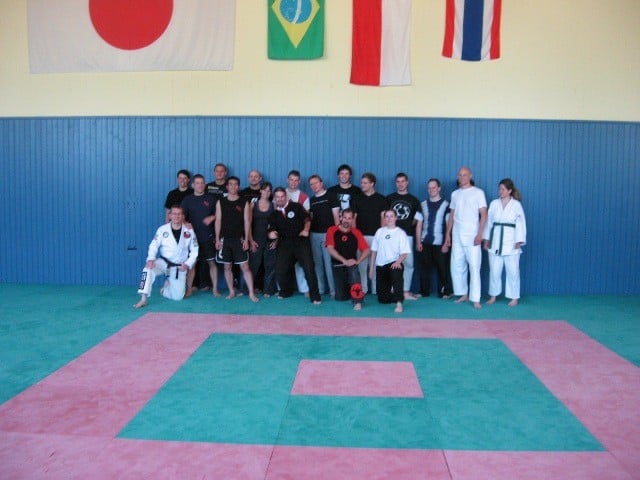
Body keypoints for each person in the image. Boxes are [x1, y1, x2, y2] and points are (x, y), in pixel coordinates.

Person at [134, 206, 199, 308]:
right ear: (170, 216)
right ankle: (143, 299)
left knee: (178, 297)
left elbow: (195, 250)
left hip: (179, 266)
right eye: (174, 214)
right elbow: (154, 245)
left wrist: (187, 264)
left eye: (179, 214)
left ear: (183, 216)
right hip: (163, 262)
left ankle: (164, 290)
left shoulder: (189, 230)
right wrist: (151, 259)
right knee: (147, 269)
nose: (176, 216)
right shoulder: (162, 229)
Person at [268, 187, 321, 304]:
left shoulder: (296, 206)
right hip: (284, 244)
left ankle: (315, 296)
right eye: (277, 197)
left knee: (309, 268)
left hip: (300, 242)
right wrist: (271, 234)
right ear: (274, 199)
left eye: (282, 196)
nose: (280, 199)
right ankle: (286, 291)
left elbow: (307, 219)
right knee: (280, 270)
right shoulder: (274, 214)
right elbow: (271, 229)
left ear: (286, 197)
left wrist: (306, 230)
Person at [444, 167, 487, 309]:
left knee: (474, 266)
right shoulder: (455, 194)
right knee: (457, 265)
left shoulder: (478, 193)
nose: (462, 177)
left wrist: (480, 234)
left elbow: (484, 214)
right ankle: (463, 293)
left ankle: (475, 298)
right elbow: (452, 215)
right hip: (457, 234)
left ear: (470, 176)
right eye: (460, 175)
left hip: (472, 234)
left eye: (465, 175)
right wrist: (448, 235)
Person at [483, 178, 527, 306]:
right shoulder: (494, 204)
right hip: (495, 240)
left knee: (513, 271)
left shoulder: (516, 205)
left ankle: (514, 297)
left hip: (511, 241)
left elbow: (520, 223)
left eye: (503, 189)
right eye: (499, 189)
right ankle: (493, 296)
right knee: (494, 271)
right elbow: (489, 223)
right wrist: (486, 239)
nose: (500, 191)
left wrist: (519, 240)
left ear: (509, 191)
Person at [214, 176, 259, 302]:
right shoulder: (221, 201)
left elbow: (247, 221)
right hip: (225, 240)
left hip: (239, 239)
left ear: (238, 187)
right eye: (230, 184)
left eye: (235, 184)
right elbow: (218, 220)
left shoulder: (244, 202)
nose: (233, 187)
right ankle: (231, 291)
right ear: (227, 186)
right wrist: (217, 239)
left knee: (245, 267)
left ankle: (251, 293)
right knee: (227, 267)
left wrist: (246, 239)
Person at [181, 174, 220, 297]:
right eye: (197, 183)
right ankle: (189, 289)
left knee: (212, 263)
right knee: (192, 264)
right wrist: (186, 222)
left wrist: (212, 217)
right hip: (192, 239)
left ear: (205, 184)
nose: (200, 185)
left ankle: (215, 289)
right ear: (193, 185)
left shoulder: (211, 199)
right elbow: (180, 216)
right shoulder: (187, 200)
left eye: (202, 183)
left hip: (208, 236)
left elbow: (219, 214)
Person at [415, 178, 453, 298]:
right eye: (429, 188)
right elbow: (419, 224)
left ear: (439, 188)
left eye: (434, 187)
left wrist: (446, 242)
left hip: (440, 242)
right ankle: (424, 291)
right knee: (423, 268)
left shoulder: (447, 205)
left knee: (443, 268)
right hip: (425, 241)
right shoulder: (422, 205)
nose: (431, 190)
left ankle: (445, 291)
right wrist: (418, 242)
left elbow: (449, 224)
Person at [326, 208, 370, 310]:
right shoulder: (332, 230)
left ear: (352, 219)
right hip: (338, 264)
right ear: (341, 217)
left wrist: (357, 261)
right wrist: (344, 261)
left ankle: (357, 301)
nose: (346, 220)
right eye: (345, 217)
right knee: (341, 297)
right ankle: (349, 290)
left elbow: (367, 250)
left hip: (351, 264)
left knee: (354, 273)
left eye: (349, 218)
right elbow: (330, 249)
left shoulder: (356, 232)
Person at [386, 172, 421, 300]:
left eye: (403, 181)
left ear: (407, 182)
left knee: (408, 264)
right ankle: (393, 290)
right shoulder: (389, 199)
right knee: (392, 263)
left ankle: (405, 291)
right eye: (398, 181)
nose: (400, 184)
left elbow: (417, 221)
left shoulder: (414, 200)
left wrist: (418, 240)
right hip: (391, 236)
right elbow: (384, 218)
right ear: (396, 183)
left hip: (408, 235)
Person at [352, 172, 387, 295]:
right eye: (361, 183)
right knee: (362, 265)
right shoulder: (356, 199)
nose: (362, 185)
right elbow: (353, 219)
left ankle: (376, 289)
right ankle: (363, 289)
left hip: (376, 236)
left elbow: (383, 218)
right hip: (361, 237)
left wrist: (381, 236)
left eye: (365, 183)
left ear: (372, 184)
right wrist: (356, 236)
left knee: (376, 264)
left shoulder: (381, 199)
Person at [369, 210, 411, 313]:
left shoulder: (401, 233)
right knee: (383, 299)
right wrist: (371, 268)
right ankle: (398, 294)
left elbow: (404, 253)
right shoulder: (379, 232)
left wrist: (398, 262)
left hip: (394, 263)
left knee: (397, 272)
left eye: (391, 216)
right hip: (381, 266)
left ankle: (399, 302)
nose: (389, 219)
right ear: (384, 219)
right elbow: (374, 251)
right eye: (387, 216)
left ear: (396, 218)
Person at [308, 174, 338, 297]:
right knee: (317, 264)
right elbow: (309, 219)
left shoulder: (331, 196)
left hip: (328, 235)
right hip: (314, 235)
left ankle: (333, 291)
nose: (314, 186)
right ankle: (320, 289)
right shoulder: (311, 200)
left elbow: (336, 217)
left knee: (329, 264)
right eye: (311, 184)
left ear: (321, 183)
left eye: (316, 183)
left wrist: (336, 235)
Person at [249, 182, 277, 297]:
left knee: (270, 265)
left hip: (269, 240)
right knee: (253, 265)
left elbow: (277, 225)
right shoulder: (253, 205)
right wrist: (250, 240)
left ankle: (268, 290)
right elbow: (248, 224)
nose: (266, 192)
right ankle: (248, 289)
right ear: (260, 191)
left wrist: (276, 241)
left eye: (269, 191)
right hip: (256, 239)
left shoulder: (273, 205)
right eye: (265, 190)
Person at [285, 169, 310, 294]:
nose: (293, 182)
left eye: (296, 180)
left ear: (299, 182)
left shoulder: (304, 197)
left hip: (299, 235)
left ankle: (304, 289)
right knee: (284, 262)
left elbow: (306, 218)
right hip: (284, 235)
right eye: (291, 180)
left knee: (301, 263)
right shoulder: (281, 194)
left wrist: (304, 231)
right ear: (287, 180)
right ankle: (283, 288)